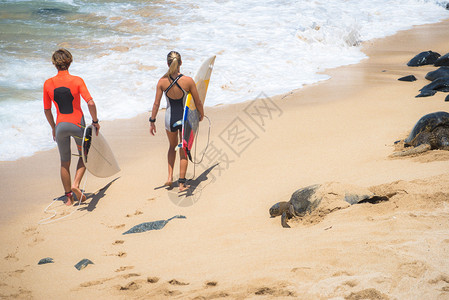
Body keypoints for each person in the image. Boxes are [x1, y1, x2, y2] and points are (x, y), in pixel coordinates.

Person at [43, 48, 100, 205]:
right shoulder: (77, 81)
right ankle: (76, 185)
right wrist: (95, 121)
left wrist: (54, 127)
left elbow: (47, 110)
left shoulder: (48, 84)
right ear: (70, 62)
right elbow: (91, 102)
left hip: (61, 126)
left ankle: (68, 198)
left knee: (64, 162)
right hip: (77, 124)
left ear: (55, 64)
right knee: (84, 156)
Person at [149, 51, 204, 192]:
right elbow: (197, 101)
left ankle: (169, 178)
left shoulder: (162, 82)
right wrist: (201, 114)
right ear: (180, 63)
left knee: (172, 146)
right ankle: (181, 184)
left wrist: (152, 121)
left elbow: (156, 104)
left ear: (167, 63)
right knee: (184, 149)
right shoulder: (188, 81)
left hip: (169, 118)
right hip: (184, 118)